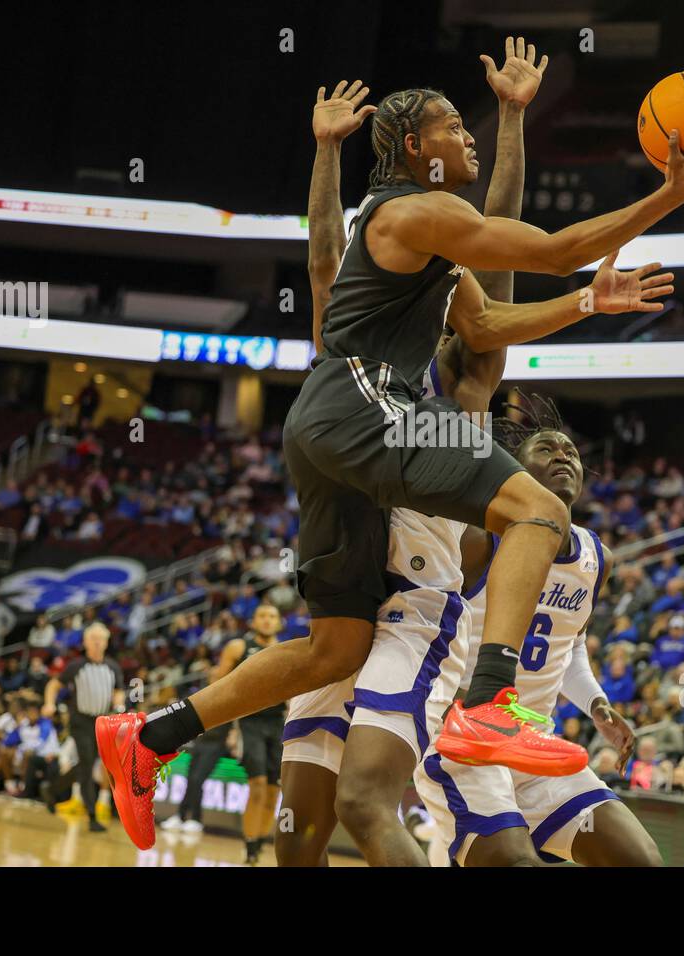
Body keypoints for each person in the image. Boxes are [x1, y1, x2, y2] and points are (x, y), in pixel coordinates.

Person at [95, 44, 684, 851]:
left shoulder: (434, 263)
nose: (465, 139)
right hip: (363, 413)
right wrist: (670, 194)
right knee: (538, 511)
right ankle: (490, 700)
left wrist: (584, 301)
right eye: (450, 126)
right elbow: (534, 248)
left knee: (334, 645)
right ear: (412, 150)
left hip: (338, 437)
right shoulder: (412, 217)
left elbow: (489, 312)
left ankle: (149, 735)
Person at [278, 38, 556, 867]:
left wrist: (509, 119)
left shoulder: (468, 384)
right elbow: (327, 266)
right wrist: (326, 155)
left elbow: (491, 231)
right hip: (356, 585)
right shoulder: (363, 369)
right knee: (300, 824)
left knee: (371, 801)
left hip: (415, 618)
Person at [413, 394, 662, 866]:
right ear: (516, 473)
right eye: (546, 450)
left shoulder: (595, 556)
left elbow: (566, 646)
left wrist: (596, 704)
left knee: (638, 858)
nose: (563, 456)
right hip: (465, 738)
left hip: (535, 747)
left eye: (570, 451)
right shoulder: (480, 538)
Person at [211, 604, 285, 865]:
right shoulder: (238, 648)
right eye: (262, 616)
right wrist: (229, 725)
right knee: (257, 786)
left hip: (278, 723)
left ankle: (260, 840)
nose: (267, 621)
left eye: (272, 616)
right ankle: (250, 845)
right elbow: (219, 685)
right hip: (249, 722)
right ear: (253, 621)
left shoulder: (287, 650)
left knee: (274, 790)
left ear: (279, 623)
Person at [42, 623, 124, 832]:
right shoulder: (76, 665)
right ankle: (92, 816)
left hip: (103, 723)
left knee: (86, 766)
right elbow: (53, 685)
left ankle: (51, 790)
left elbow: (119, 691)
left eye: (101, 639)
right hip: (80, 721)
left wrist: (120, 706)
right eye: (93, 639)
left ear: (106, 643)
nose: (97, 643)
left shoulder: (113, 667)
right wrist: (50, 703)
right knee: (87, 764)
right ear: (86, 642)